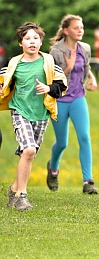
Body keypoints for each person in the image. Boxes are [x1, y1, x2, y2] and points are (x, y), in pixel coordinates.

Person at [0, 22, 67, 211]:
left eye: (35, 38)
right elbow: (2, 81)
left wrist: (48, 88)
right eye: (27, 38)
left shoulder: (48, 62)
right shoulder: (14, 63)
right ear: (21, 43)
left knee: (28, 154)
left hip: (41, 114)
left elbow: (61, 86)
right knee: (29, 150)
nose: (32, 42)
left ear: (40, 41)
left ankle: (14, 189)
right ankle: (22, 195)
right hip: (20, 111)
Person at [46, 15, 99, 195]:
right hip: (60, 100)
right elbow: (51, 78)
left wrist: (92, 78)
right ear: (66, 30)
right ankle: (53, 170)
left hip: (78, 98)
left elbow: (86, 66)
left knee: (84, 137)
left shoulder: (85, 48)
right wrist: (67, 68)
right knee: (62, 143)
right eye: (76, 28)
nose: (80, 31)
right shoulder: (56, 52)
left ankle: (88, 181)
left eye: (82, 27)